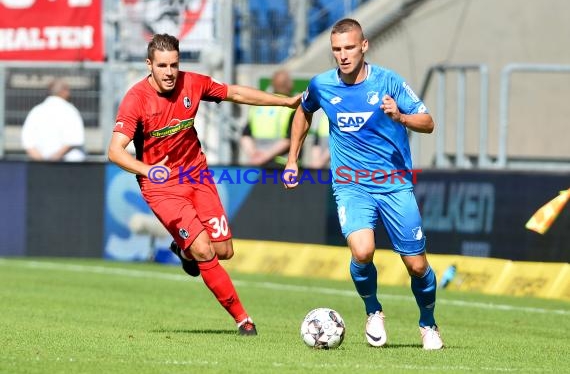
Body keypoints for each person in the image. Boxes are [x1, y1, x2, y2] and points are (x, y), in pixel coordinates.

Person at [107, 34, 300, 336]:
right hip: (161, 186)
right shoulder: (136, 99)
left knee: (223, 251)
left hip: (197, 176)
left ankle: (183, 251)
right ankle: (243, 319)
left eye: (174, 64)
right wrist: (148, 170)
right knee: (202, 248)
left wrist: (285, 102)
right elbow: (115, 151)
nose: (169, 72)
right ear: (149, 65)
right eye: (162, 66)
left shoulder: (192, 83)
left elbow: (235, 93)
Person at [283, 18, 443, 350]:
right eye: (337, 49)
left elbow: (427, 122)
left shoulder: (389, 82)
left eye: (349, 48)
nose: (343, 55)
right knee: (362, 250)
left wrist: (400, 116)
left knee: (416, 265)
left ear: (364, 46)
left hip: (395, 184)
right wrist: (292, 159)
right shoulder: (322, 85)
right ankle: (373, 311)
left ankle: (428, 324)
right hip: (350, 184)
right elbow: (303, 110)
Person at [239, 69, 295, 167]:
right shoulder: (290, 108)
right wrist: (265, 157)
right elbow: (290, 139)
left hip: (258, 164)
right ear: (289, 85)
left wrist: (254, 155)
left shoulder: (258, 107)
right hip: (283, 165)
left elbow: (245, 136)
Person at [21, 78, 86, 162]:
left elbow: (28, 142)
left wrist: (42, 163)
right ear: (64, 91)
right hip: (70, 168)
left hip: (41, 166)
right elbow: (75, 140)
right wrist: (53, 160)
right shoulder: (70, 110)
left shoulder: (36, 110)